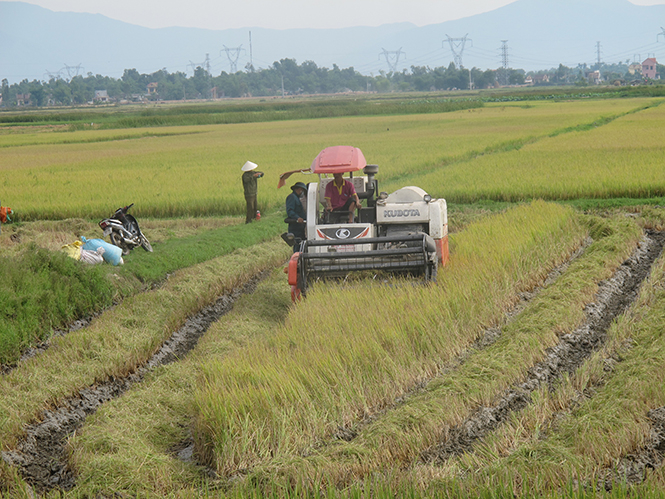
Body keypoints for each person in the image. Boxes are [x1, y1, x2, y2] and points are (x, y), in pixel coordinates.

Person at [285, 182, 307, 251]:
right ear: (299, 189)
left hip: (300, 226)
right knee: (297, 245)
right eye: (302, 191)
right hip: (296, 227)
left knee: (301, 245)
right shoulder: (292, 197)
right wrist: (297, 218)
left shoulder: (297, 198)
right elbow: (290, 211)